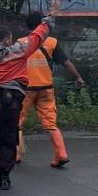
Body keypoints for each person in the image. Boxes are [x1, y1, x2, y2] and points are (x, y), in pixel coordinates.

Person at [0, 0, 60, 190]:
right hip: (10, 104)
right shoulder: (18, 51)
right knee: (8, 139)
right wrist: (51, 16)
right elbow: (38, 35)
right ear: (7, 40)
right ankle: (5, 178)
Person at [16, 11, 86, 167]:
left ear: (27, 26)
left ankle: (16, 154)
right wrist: (78, 77)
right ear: (42, 25)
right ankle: (61, 154)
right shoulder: (52, 42)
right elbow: (66, 62)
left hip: (25, 89)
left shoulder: (21, 42)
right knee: (51, 124)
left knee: (17, 121)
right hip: (46, 89)